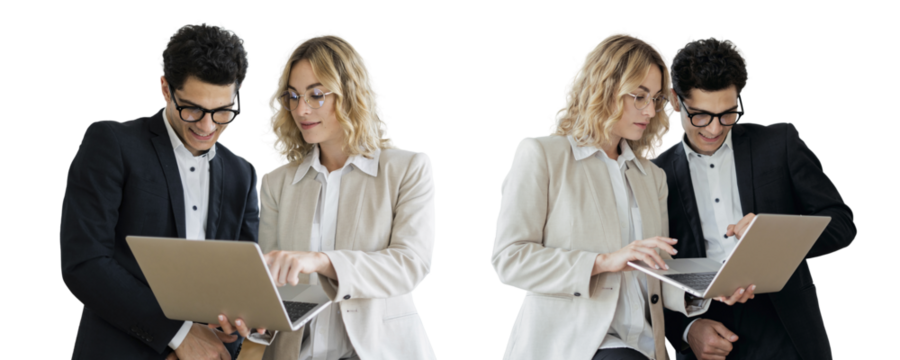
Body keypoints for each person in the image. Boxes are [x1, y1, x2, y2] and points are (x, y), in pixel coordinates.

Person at [490, 30, 715, 360]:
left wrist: (709, 287)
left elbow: (655, 271)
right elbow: (509, 259)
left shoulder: (652, 177)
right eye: (638, 96)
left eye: (655, 99)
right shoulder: (541, 155)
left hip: (646, 347)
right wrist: (602, 262)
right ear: (605, 88)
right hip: (578, 345)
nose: (650, 111)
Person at [214, 32, 437, 360]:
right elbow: (272, 286)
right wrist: (251, 316)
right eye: (293, 96)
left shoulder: (408, 168)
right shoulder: (276, 183)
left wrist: (322, 260)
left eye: (316, 95)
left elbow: (409, 265)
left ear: (350, 94)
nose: (301, 109)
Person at [58, 23, 257, 360]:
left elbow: (243, 275)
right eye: (192, 109)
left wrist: (231, 328)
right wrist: (180, 335)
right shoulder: (111, 143)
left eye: (223, 111)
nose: (207, 126)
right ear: (165, 88)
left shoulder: (243, 173)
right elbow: (84, 262)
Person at [652, 36, 857, 360]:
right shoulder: (654, 175)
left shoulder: (781, 143)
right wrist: (686, 331)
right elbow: (649, 273)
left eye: (728, 114)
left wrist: (774, 235)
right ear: (677, 101)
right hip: (709, 334)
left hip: (785, 327)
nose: (715, 129)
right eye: (701, 116)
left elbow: (843, 223)